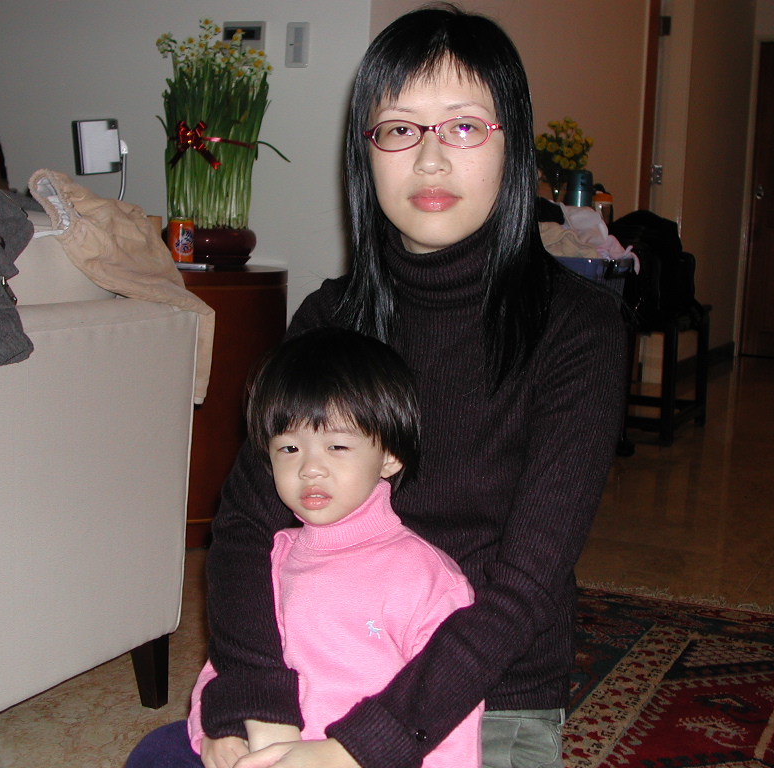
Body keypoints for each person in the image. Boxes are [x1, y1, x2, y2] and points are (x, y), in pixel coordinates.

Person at [129, 5, 627, 768]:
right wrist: (256, 702)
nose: (429, 161)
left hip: (488, 692)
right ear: (366, 153)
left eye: (464, 127)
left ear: (514, 146)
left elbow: (524, 590)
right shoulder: (330, 319)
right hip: (318, 663)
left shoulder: (579, 330)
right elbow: (244, 526)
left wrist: (356, 751)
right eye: (399, 129)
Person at [127, 328, 482, 768]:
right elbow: (228, 658)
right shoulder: (272, 559)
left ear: (389, 456)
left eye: (337, 446)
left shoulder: (428, 578)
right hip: (265, 749)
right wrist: (220, 726)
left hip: (359, 757)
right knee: (158, 750)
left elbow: (448, 707)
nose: (311, 468)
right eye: (290, 448)